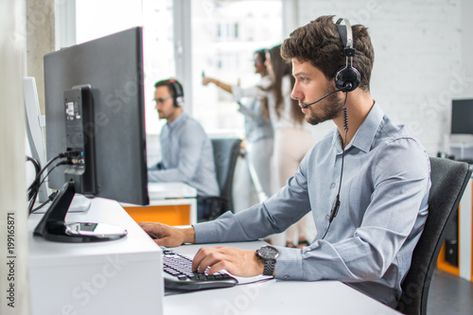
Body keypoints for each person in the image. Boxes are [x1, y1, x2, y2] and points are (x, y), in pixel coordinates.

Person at [140, 16, 431, 307]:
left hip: (360, 303)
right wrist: (187, 233)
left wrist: (263, 260)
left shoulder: (398, 155)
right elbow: (269, 216)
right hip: (319, 288)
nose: (294, 94)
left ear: (345, 79)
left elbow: (370, 257)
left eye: (304, 79)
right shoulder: (323, 151)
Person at [202, 49, 274, 199]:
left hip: (264, 141)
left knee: (266, 191)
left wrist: (213, 80)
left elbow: (260, 118)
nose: (254, 64)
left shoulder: (268, 86)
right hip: (254, 141)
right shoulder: (260, 85)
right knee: (252, 191)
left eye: (257, 60)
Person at [148, 78, 219, 220]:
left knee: (155, 220)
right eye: (155, 101)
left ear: (178, 100)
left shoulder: (190, 128)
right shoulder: (165, 130)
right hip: (182, 194)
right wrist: (141, 173)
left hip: (203, 200)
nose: (157, 106)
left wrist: (145, 178)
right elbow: (166, 165)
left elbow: (183, 174)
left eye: (161, 101)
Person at [265, 44, 315, 248]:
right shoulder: (298, 83)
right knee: (304, 194)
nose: (267, 64)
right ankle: (303, 237)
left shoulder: (271, 84)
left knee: (286, 195)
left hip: (286, 139)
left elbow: (239, 91)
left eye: (268, 59)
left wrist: (213, 81)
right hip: (306, 138)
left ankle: (288, 241)